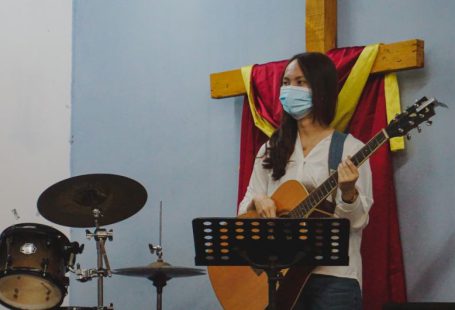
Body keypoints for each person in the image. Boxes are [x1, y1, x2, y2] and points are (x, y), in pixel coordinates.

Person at [237, 52, 373, 310]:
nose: (290, 89)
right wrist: (258, 200)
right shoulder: (271, 148)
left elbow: (358, 222)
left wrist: (348, 194)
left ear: (321, 89)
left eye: (300, 82)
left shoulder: (351, 149)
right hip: (279, 276)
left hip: (335, 279)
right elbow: (244, 206)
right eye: (286, 83)